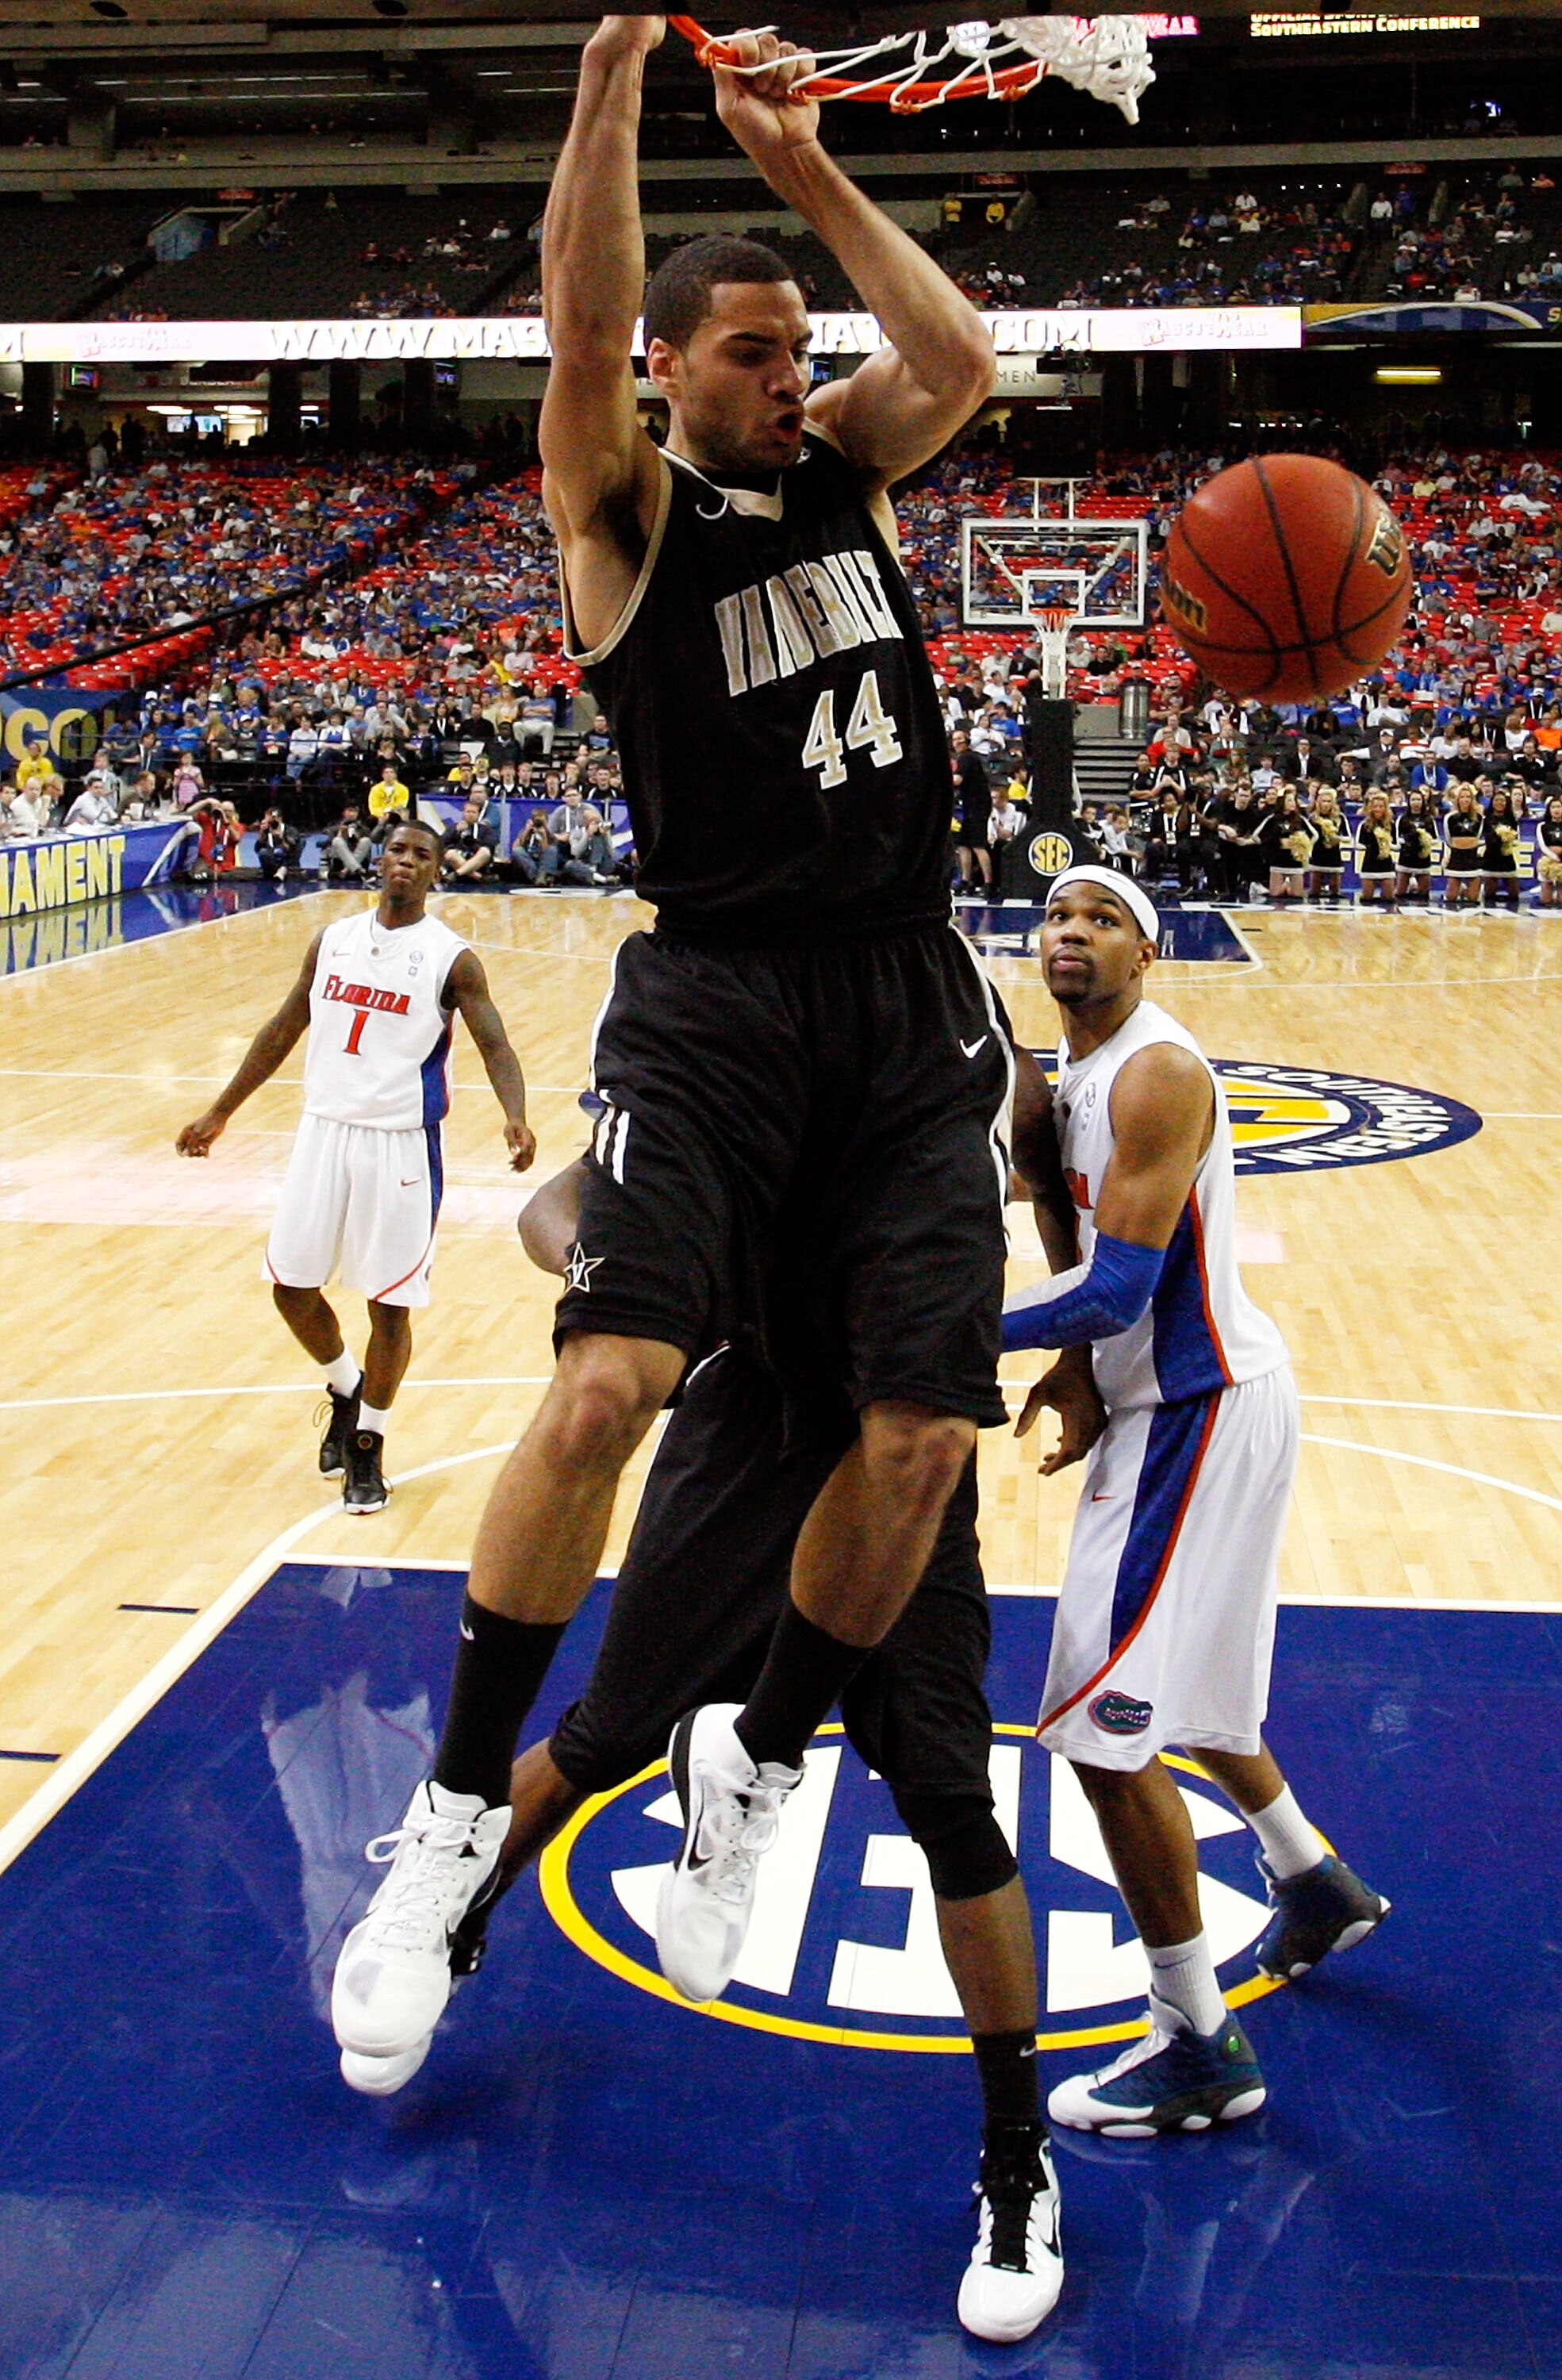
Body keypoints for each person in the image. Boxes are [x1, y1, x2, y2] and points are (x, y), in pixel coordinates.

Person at [332, 8, 1015, 2194]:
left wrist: (801, 165)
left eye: (791, 349)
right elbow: (580, 299)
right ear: (666, 373)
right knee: (609, 1383)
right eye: (745, 354)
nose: (785, 378)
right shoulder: (623, 515)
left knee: (919, 1439)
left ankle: (771, 1756)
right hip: (713, 1005)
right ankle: (452, 1818)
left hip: (906, 1008)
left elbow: (965, 358)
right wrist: (620, 76)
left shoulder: (846, 471)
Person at [338, 1142, 1067, 2344]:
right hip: (744, 1430)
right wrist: (625, 1280)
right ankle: (446, 1911)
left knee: (951, 1799)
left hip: (900, 1455)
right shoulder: (754, 1032)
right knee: (603, 1735)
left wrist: (1082, 1348)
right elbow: (561, 1202)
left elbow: (1055, 1182)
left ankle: (1017, 2161)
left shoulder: (971, 1052)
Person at [1004, 866, 1389, 2135]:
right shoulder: (1069, 1085)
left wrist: (935, 1331)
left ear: (1149, 954)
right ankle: (1309, 1878)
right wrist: (1067, 1369)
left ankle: (1198, 2043)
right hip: (1195, 1401)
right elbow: (1084, 1272)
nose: (1075, 932)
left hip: (1198, 1411)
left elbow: (1116, 1291)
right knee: (1191, 1690)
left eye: (1105, 919)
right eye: (1059, 914)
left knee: (1102, 1736)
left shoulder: (1157, 1073)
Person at [175, 821, 535, 1514]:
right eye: (397, 850)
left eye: (421, 856)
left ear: (437, 872)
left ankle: (369, 1444)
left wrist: (515, 1114)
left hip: (400, 1145)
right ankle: (346, 1387)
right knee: (290, 1288)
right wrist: (221, 1111)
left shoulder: (451, 959)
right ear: (381, 859)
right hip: (322, 1132)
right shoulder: (333, 940)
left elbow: (496, 1043)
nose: (406, 862)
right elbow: (283, 1027)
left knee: (389, 1306)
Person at [952, 727, 992, 896]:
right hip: (969, 806)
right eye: (955, 739)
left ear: (966, 741)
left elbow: (957, 780)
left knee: (978, 845)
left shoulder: (967, 758)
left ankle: (989, 883)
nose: (957, 743)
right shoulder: (963, 758)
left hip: (978, 806)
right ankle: (966, 880)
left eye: (960, 739)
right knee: (963, 845)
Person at [1393, 784, 1437, 905]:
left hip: (1423, 857)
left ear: (1423, 801)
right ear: (1409, 802)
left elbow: (1435, 838)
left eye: (1419, 799)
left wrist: (1425, 841)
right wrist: (1407, 841)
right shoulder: (1402, 818)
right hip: (1406, 857)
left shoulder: (1429, 819)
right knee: (1400, 891)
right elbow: (1396, 838)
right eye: (1413, 799)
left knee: (1424, 893)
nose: (1416, 802)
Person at [1442, 784, 1483, 908]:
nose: (1465, 800)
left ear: (1472, 800)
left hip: (1472, 858)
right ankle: (1459, 888)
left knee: (1473, 899)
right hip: (1457, 858)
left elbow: (1479, 837)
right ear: (1457, 799)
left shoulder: (1479, 818)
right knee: (1451, 898)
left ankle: (1469, 889)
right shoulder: (1450, 818)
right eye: (1462, 797)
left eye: (1468, 797)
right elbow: (1448, 839)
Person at [1481, 785, 1522, 909]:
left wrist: (1508, 837)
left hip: (1507, 856)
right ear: (1492, 802)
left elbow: (1516, 837)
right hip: (1491, 856)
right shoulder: (1486, 819)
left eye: (1503, 800)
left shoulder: (1511, 819)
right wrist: (1497, 836)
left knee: (1514, 892)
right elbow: (1485, 837)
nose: (1500, 803)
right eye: (1497, 800)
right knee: (1490, 892)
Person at [440, 794, 497, 885]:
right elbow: (441, 842)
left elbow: (490, 845)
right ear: (463, 813)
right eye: (468, 812)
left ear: (478, 815)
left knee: (485, 852)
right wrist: (455, 832)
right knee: (450, 854)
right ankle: (479, 877)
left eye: (473, 812)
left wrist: (473, 843)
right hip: (459, 858)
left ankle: (457, 874)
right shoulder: (454, 827)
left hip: (477, 859)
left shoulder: (486, 829)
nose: (470, 815)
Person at [1305, 786, 1347, 901]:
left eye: (1329, 801)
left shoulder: (1340, 818)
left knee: (1336, 893)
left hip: (1334, 854)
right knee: (1314, 892)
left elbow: (1348, 836)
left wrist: (1336, 838)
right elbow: (1307, 836)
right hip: (1318, 853)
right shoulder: (1312, 818)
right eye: (1324, 801)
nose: (1326, 804)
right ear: (1318, 802)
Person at [1356, 791, 1396, 908]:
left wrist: (1386, 844)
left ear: (1386, 808)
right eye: (1375, 806)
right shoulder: (1365, 825)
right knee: (1367, 898)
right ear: (1370, 808)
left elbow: (1396, 844)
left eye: (1381, 806)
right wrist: (1371, 845)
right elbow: (1358, 844)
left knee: (1389, 898)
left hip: (1386, 863)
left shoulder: (1391, 825)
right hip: (1369, 863)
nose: (1378, 809)